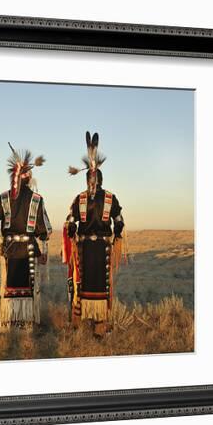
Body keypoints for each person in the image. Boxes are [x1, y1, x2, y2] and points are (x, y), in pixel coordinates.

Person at [63, 131, 126, 337]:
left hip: (85, 249)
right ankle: (100, 324)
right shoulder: (110, 198)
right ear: (99, 177)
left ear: (89, 179)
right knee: (102, 284)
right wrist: (116, 236)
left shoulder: (79, 199)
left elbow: (70, 224)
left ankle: (81, 320)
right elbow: (119, 222)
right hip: (102, 249)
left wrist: (73, 232)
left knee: (83, 283)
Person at [0, 143, 52, 332]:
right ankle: (26, 323)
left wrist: (2, 242)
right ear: (29, 178)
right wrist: (44, 250)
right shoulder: (37, 200)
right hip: (29, 250)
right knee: (29, 287)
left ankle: (9, 322)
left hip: (10, 250)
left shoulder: (4, 198)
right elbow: (45, 231)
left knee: (9, 286)